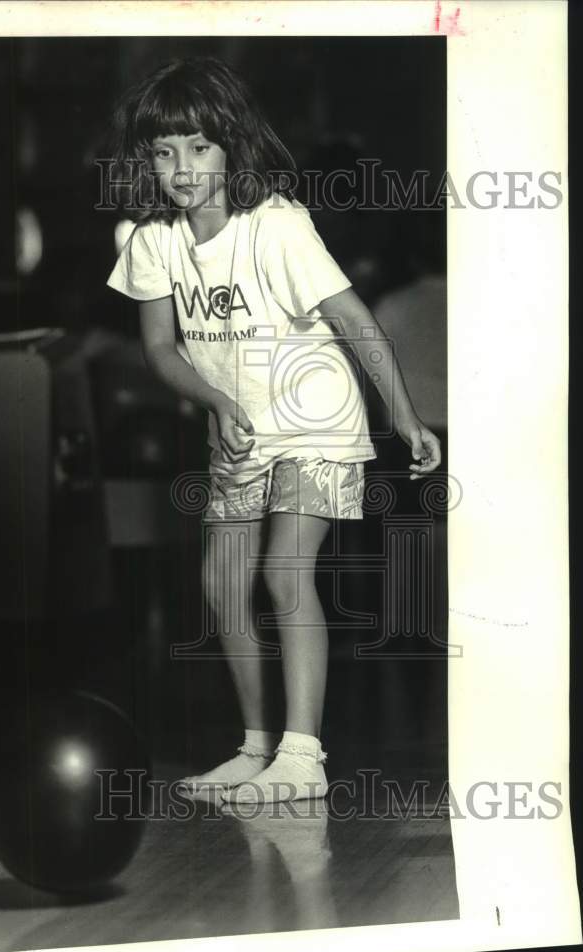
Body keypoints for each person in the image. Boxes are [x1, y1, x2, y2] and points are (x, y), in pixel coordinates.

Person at [106, 57, 440, 803]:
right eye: (165, 152)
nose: (183, 168)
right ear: (146, 161)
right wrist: (217, 403)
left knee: (286, 570)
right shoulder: (153, 241)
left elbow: (353, 317)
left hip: (315, 415)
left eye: (199, 147)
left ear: (231, 145)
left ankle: (304, 755)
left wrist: (403, 413)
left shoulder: (278, 224)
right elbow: (161, 349)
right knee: (222, 583)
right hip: (240, 424)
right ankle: (257, 749)